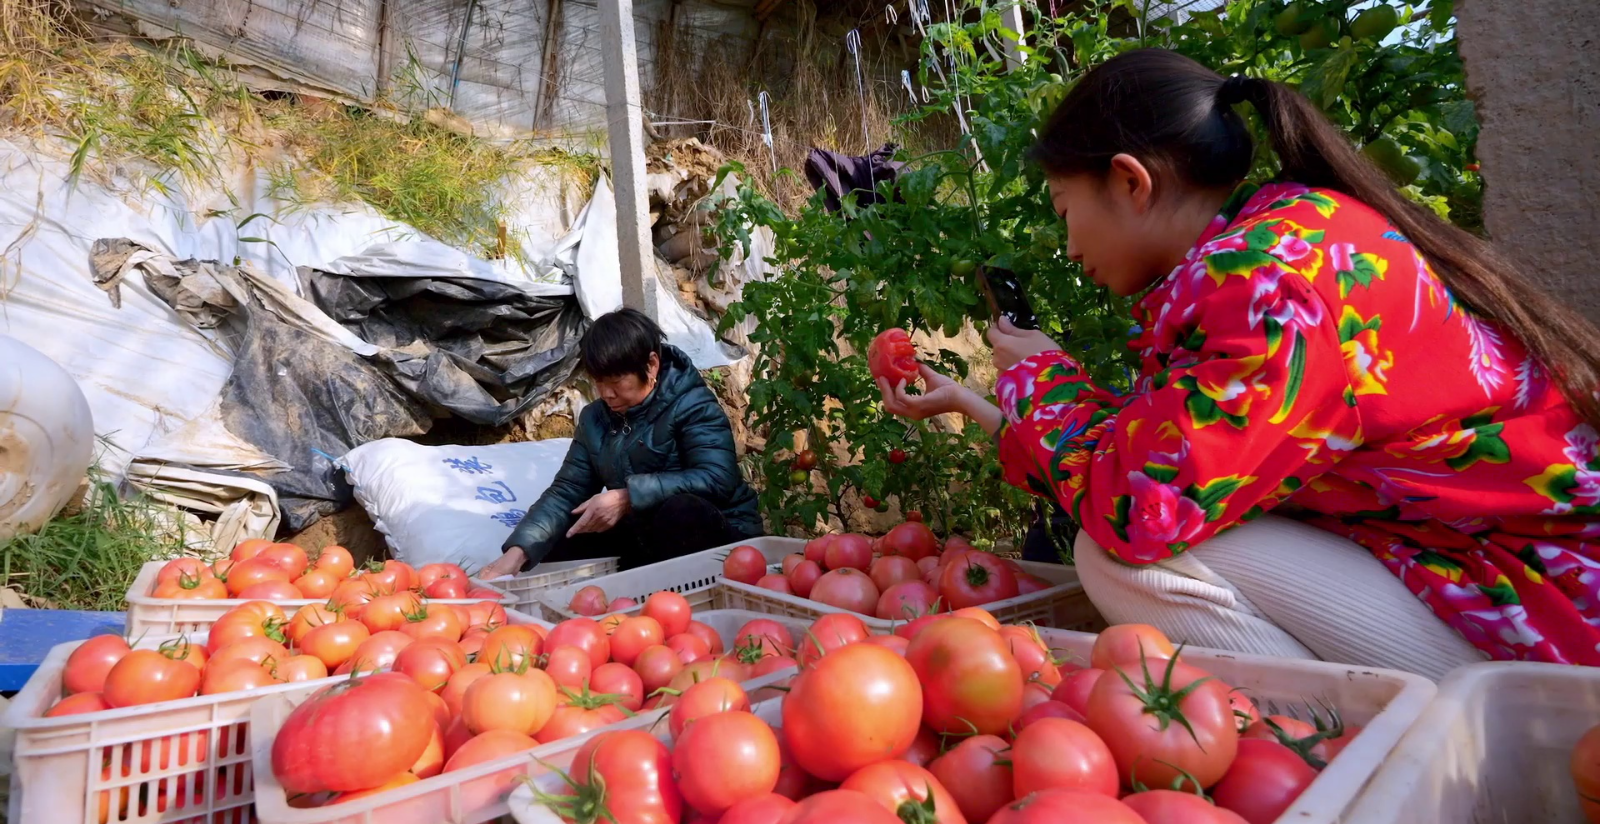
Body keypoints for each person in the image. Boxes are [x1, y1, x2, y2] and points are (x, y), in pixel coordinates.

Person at [879, 48, 1600, 680]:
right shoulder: (1293, 235)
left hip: (1547, 621)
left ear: (1130, 182)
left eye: (1066, 211)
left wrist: (1039, 375)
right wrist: (974, 401)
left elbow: (1139, 508)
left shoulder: (1263, 286)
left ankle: (1351, 741)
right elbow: (1166, 453)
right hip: (1511, 577)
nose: (1069, 246)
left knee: (1119, 557)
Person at [478, 309, 762, 578]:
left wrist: (627, 497)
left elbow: (718, 478)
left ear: (651, 365)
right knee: (561, 535)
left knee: (681, 511)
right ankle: (630, 594)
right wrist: (518, 552)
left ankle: (663, 596)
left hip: (721, 534)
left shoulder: (692, 404)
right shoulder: (595, 419)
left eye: (615, 381)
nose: (606, 393)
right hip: (646, 534)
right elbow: (567, 492)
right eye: (598, 382)